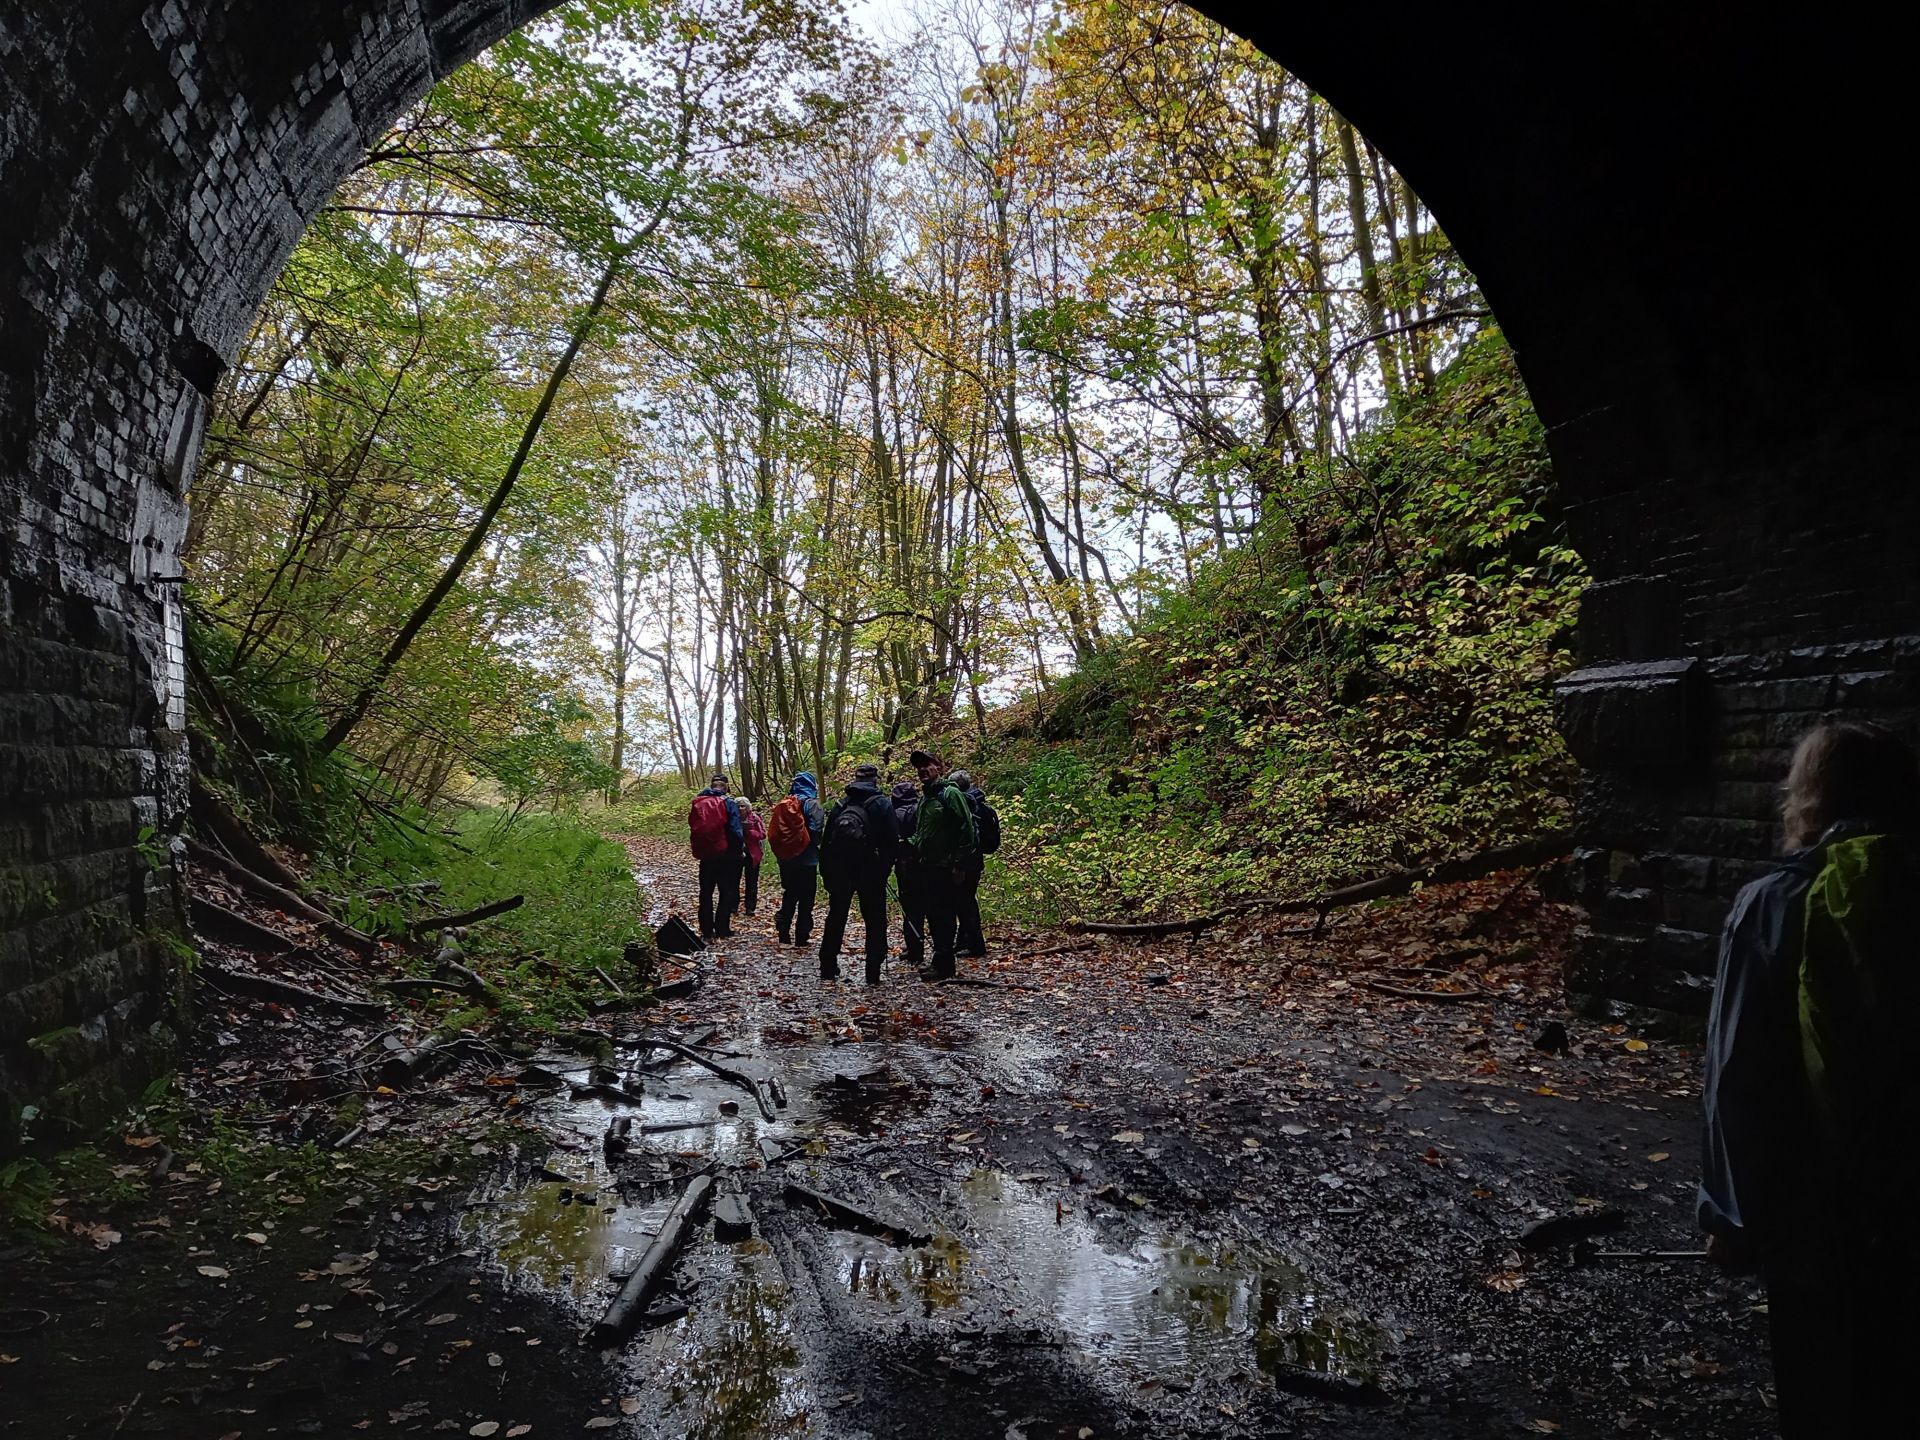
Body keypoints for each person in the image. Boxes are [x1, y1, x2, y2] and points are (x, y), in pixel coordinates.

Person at [1698, 719, 1920, 1434]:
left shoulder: (1771, 903)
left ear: (1809, 795)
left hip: (1814, 1210)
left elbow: (1739, 1075)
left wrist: (1732, 1218)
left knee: (1824, 1389)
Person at [817, 762, 899, 984]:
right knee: (875, 920)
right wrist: (883, 870)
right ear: (875, 779)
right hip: (871, 873)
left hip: (841, 872)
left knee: (836, 917)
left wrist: (827, 874)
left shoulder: (840, 805)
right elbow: (892, 842)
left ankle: (827, 965)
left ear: (854, 779)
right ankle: (873, 971)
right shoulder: (882, 804)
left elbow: (826, 844)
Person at [907, 749, 975, 980]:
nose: (922, 770)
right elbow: (922, 834)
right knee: (934, 917)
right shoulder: (926, 798)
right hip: (928, 868)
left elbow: (966, 830)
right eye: (919, 767)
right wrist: (906, 845)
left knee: (944, 917)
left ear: (939, 768)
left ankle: (945, 966)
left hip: (945, 868)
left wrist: (959, 865)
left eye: (927, 765)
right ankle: (940, 961)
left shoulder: (950, 794)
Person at [768, 772, 826, 948]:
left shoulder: (785, 803)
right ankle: (802, 936)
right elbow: (816, 830)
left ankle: (784, 931)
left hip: (786, 859)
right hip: (807, 859)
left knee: (790, 893)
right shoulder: (811, 804)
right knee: (807, 897)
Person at [687, 772, 744, 940]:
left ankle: (706, 929)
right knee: (726, 892)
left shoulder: (698, 803)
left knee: (706, 891)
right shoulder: (728, 802)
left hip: (706, 855)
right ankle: (722, 928)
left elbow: (693, 825)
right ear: (726, 787)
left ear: (711, 785)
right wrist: (739, 849)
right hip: (726, 855)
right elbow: (735, 830)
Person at [949, 769, 999, 959]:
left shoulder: (965, 805)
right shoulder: (981, 804)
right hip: (976, 860)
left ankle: (975, 945)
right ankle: (964, 942)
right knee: (965, 900)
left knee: (964, 902)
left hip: (965, 861)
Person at [889, 779, 927, 969]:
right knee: (927, 905)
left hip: (904, 864)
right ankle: (922, 947)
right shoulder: (921, 809)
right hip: (925, 862)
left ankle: (914, 949)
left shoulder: (894, 814)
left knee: (910, 906)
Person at [737, 800, 766, 917]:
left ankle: (750, 907)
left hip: (752, 854)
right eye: (738, 806)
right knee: (734, 881)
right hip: (736, 853)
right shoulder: (732, 819)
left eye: (742, 806)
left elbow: (762, 834)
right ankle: (733, 905)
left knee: (752, 881)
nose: (740, 808)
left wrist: (749, 831)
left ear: (747, 807)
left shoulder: (755, 818)